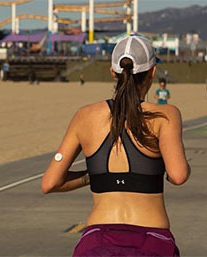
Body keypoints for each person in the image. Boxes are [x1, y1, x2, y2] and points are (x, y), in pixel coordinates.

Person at [41, 35, 190, 257]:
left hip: (96, 241)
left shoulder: (85, 116)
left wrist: (93, 175)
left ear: (113, 72)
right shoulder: (165, 115)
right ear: (152, 72)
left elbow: (50, 183)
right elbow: (178, 175)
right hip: (151, 240)